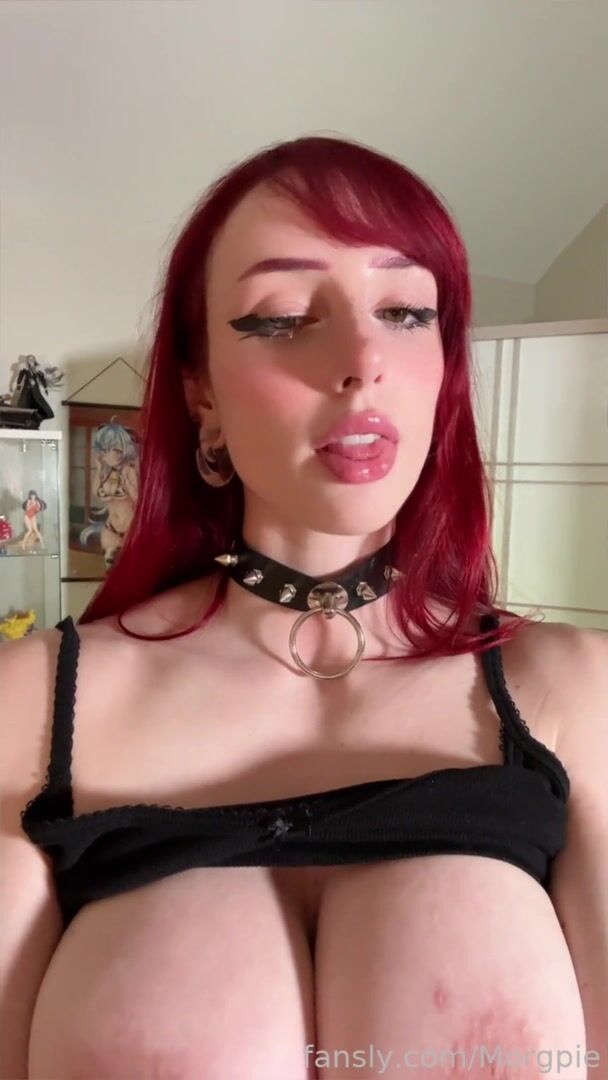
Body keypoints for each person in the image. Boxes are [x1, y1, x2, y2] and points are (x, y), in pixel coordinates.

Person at [1, 135, 606, 1080]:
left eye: (406, 312)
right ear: (201, 394)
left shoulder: (573, 691)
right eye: (283, 318)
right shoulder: (34, 706)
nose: (363, 359)